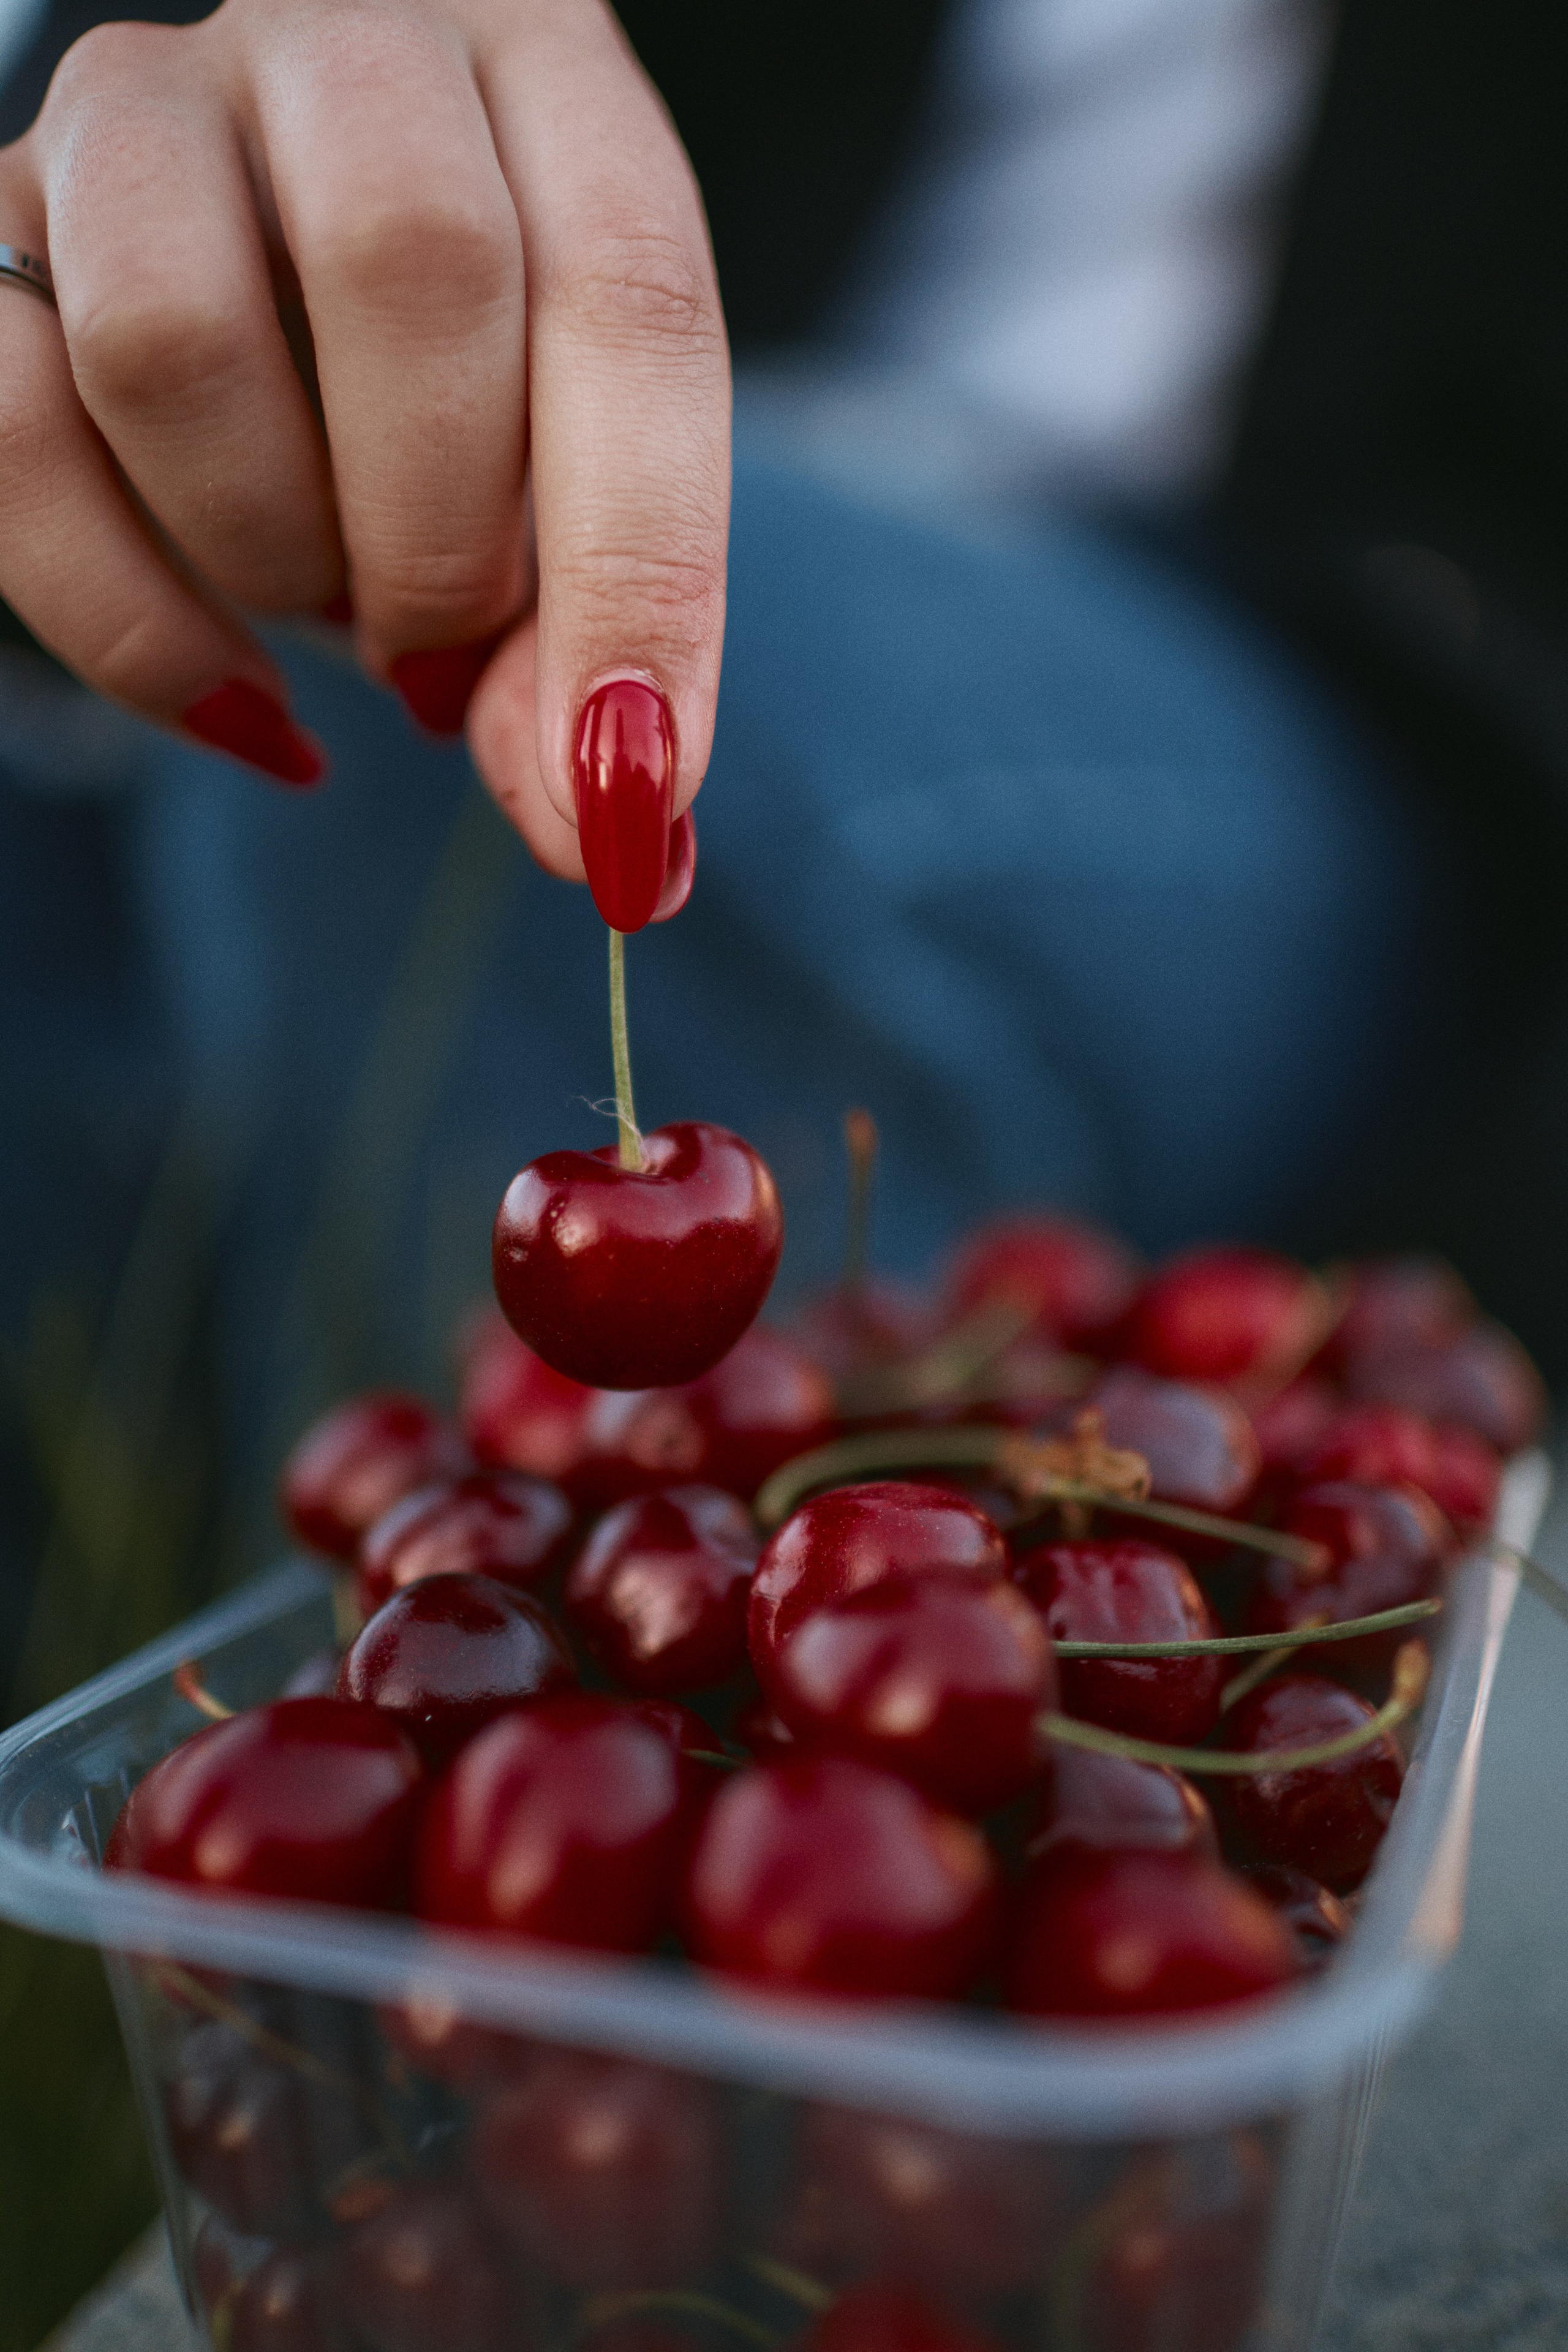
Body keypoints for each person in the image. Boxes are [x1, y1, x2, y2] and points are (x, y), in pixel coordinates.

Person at [0, 0, 1562, 1654]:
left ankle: (436, 1769)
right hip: (699, 469)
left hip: (1363, 679)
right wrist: (164, 223)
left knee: (583, 732)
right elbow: (139, 127)